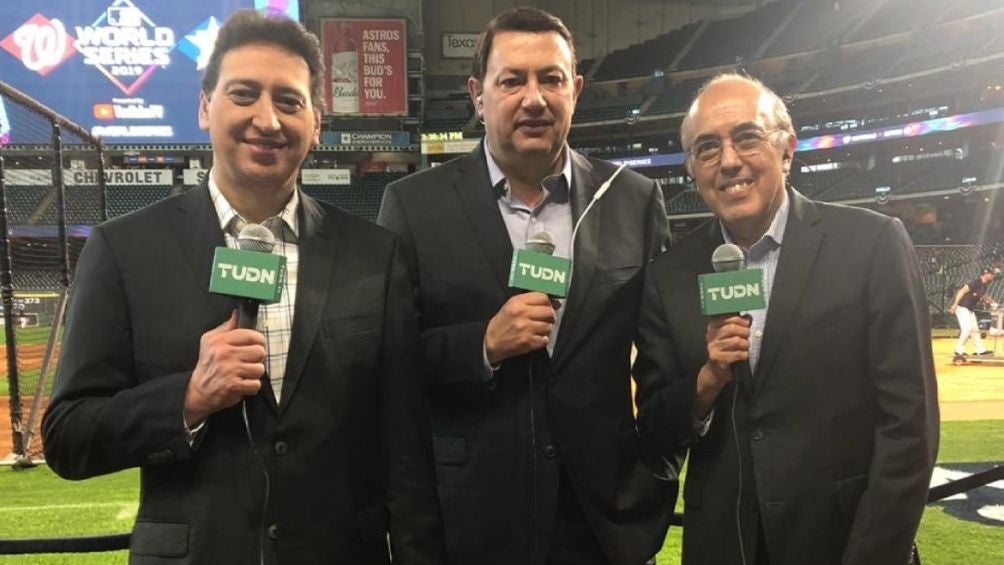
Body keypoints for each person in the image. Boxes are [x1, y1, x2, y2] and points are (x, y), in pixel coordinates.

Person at [42, 10, 443, 564]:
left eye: (289, 101)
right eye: (244, 94)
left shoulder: (375, 254)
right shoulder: (123, 249)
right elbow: (67, 436)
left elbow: (407, 452)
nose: (267, 119)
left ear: (316, 123)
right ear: (205, 106)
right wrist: (188, 398)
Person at [378, 7, 676, 565]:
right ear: (478, 94)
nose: (534, 98)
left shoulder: (633, 200)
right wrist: (482, 346)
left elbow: (663, 362)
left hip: (602, 527)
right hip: (472, 522)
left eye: (551, 79)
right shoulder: (414, 206)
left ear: (575, 90)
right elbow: (389, 368)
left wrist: (655, 476)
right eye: (512, 80)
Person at [633, 73, 939, 565]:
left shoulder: (871, 243)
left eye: (747, 137)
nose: (728, 160)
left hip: (844, 544)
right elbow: (654, 433)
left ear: (787, 150)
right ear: (692, 169)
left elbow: (910, 426)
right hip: (723, 547)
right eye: (707, 148)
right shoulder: (668, 276)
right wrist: (706, 382)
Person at [949, 267, 997, 358]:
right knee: (967, 330)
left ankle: (980, 350)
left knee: (975, 330)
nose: (992, 276)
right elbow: (961, 291)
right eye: (991, 274)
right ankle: (958, 351)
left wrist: (992, 302)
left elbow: (984, 295)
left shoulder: (984, 285)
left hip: (970, 310)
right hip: (962, 308)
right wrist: (955, 304)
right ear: (985, 274)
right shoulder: (976, 282)